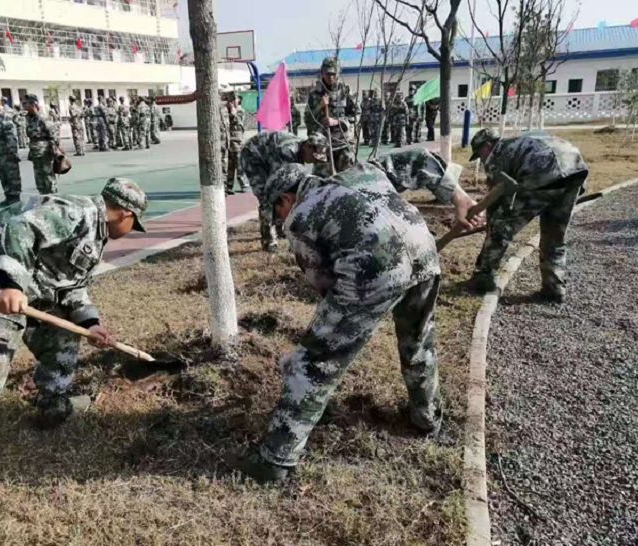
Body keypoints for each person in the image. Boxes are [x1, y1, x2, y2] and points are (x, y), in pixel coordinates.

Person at [237, 149, 481, 483]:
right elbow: (418, 161)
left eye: (277, 211)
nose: (280, 219)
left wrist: (333, 331)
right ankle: (427, 418)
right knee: (419, 342)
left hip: (372, 273)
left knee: (316, 362)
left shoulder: (301, 217)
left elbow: (323, 284)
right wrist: (459, 196)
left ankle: (276, 461)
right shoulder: (364, 172)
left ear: (286, 197)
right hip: (424, 255)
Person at [0, 177, 149, 510]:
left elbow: (71, 284)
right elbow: (19, 229)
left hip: (29, 290)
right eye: (134, 225)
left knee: (66, 334)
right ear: (126, 214)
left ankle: (51, 401)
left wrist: (92, 323)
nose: (131, 230)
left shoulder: (94, 232)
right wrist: (11, 284)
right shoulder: (75, 213)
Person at [468, 129, 589, 302]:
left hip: (543, 173)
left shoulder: (498, 152)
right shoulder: (522, 141)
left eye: (480, 154)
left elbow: (496, 198)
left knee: (500, 228)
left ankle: (484, 278)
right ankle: (553, 288)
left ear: (487, 146)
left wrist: (491, 222)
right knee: (554, 237)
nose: (481, 159)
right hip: (574, 173)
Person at [239, 131, 329, 251]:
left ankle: (280, 230)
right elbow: (278, 186)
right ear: (307, 147)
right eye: (314, 157)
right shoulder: (287, 152)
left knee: (285, 197)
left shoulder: (299, 153)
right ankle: (269, 241)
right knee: (268, 197)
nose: (314, 161)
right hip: (253, 157)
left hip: (269, 156)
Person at [305, 57, 359, 173]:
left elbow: (356, 115)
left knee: (348, 178)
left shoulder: (345, 92)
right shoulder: (314, 95)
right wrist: (320, 106)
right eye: (327, 73)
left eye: (333, 74)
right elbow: (308, 119)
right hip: (323, 146)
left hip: (343, 143)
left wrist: (338, 121)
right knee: (323, 183)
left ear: (338, 73)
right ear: (322, 73)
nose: (330, 77)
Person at [0, 95, 22, 205]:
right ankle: (8, 196)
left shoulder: (5, 115)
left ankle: (15, 197)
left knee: (12, 175)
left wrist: (13, 152)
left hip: (7, 152)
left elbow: (10, 136)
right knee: (3, 175)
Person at [24, 94, 60, 194]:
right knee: (39, 177)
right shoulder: (29, 118)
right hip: (35, 152)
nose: (24, 106)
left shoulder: (42, 117)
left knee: (48, 176)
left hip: (45, 152)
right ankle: (43, 196)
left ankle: (53, 198)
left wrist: (54, 150)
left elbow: (53, 134)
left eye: (26, 103)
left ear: (33, 104)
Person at [225, 92, 249, 195]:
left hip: (238, 142)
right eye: (231, 100)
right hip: (229, 142)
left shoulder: (240, 111)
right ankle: (229, 186)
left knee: (239, 165)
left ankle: (244, 185)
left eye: (234, 100)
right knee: (230, 167)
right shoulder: (227, 111)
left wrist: (232, 111)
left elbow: (237, 121)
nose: (233, 102)